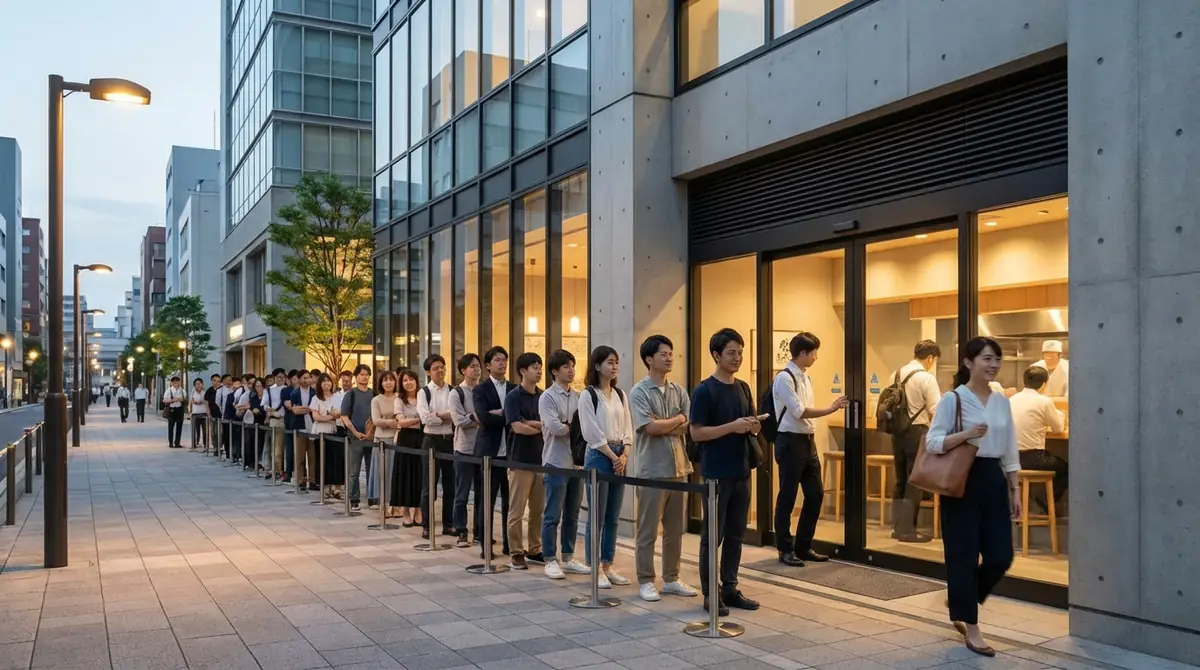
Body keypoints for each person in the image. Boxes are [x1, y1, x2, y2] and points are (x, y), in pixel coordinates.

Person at [925, 336, 1020, 657]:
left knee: (1000, 555)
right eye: (987, 359)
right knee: (963, 555)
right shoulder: (953, 399)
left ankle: (962, 598)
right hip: (961, 479)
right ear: (968, 363)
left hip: (993, 477)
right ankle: (973, 626)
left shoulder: (1002, 400)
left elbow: (1009, 446)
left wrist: (1014, 486)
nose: (993, 365)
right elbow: (932, 442)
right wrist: (966, 435)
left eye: (997, 359)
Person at [690, 328, 761, 616]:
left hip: (742, 468)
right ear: (717, 355)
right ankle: (710, 593)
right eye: (732, 353)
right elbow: (696, 433)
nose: (738, 358)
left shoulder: (743, 387)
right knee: (713, 535)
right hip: (717, 472)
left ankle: (730, 587)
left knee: (736, 533)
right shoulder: (704, 390)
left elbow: (752, 423)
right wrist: (731, 427)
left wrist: (754, 425)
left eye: (741, 353)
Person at [629, 335, 698, 602]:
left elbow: (688, 425)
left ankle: (671, 578)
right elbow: (649, 427)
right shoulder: (639, 392)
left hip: (679, 467)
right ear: (649, 359)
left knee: (674, 530)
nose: (669, 358)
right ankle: (646, 579)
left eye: (671, 353)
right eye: (663, 354)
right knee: (648, 530)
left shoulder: (678, 390)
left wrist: (669, 422)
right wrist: (674, 420)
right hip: (651, 470)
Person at [773, 332, 847, 566]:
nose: (816, 356)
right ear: (803, 353)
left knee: (815, 494)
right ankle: (785, 549)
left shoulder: (806, 377)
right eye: (814, 352)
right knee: (787, 496)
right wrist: (831, 408)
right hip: (789, 441)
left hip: (807, 440)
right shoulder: (784, 378)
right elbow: (799, 411)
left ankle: (803, 545)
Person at [579, 346, 633, 589]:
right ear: (597, 365)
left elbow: (628, 427)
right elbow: (590, 432)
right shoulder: (588, 395)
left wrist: (625, 453)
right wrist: (612, 456)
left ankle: (608, 564)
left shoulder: (621, 394)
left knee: (613, 516)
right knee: (597, 516)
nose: (614, 366)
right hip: (600, 455)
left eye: (616, 362)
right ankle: (594, 567)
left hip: (620, 454)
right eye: (610, 362)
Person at [538, 350, 590, 580]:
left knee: (573, 514)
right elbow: (556, 428)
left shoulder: (579, 396)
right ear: (554, 371)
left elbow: (587, 425)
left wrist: (573, 427)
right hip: (555, 461)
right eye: (566, 366)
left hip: (576, 464)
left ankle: (568, 557)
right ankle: (550, 558)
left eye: (573, 366)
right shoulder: (547, 397)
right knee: (552, 514)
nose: (571, 370)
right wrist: (576, 428)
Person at [887, 340, 943, 543]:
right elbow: (936, 410)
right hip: (917, 432)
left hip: (897, 433)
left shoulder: (895, 374)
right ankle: (908, 530)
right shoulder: (926, 378)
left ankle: (898, 527)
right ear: (930, 358)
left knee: (901, 478)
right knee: (915, 480)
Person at [505, 352, 546, 570]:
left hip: (541, 459)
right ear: (523, 371)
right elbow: (516, 427)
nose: (539, 370)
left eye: (540, 367)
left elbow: (550, 425)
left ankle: (535, 549)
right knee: (517, 511)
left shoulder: (543, 396)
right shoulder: (513, 396)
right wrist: (538, 426)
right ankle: (516, 552)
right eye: (534, 367)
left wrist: (535, 424)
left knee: (538, 509)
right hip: (519, 460)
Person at [1010, 365, 1068, 512]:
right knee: (1066, 468)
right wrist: (1061, 415)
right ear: (1044, 384)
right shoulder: (1043, 401)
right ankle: (1047, 502)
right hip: (1033, 459)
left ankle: (1023, 505)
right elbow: (1058, 428)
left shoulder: (1011, 400)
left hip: (1010, 458)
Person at [472, 346, 513, 554]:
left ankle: (509, 545)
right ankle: (485, 546)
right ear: (488, 365)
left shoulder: (515, 388)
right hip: (489, 453)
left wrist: (500, 413)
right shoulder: (480, 389)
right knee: (486, 501)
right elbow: (484, 418)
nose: (502, 363)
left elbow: (521, 417)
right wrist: (509, 415)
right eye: (497, 360)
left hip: (511, 454)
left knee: (511, 503)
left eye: (504, 359)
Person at [417, 355, 455, 539]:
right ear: (428, 372)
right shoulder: (424, 392)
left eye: (442, 367)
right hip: (431, 440)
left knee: (450, 485)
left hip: (450, 440)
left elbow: (457, 415)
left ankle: (449, 524)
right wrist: (445, 416)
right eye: (435, 368)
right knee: (428, 485)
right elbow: (426, 419)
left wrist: (439, 415)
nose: (440, 371)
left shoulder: (454, 391)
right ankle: (427, 525)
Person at [451, 354, 482, 547]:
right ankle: (461, 530)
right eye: (472, 366)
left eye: (478, 366)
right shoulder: (457, 393)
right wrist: (479, 417)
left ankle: (480, 532)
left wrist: (472, 417)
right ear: (463, 370)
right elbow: (459, 421)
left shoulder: (484, 390)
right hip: (463, 449)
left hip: (483, 449)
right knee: (462, 494)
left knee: (482, 493)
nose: (476, 370)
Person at [341, 364, 375, 510]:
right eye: (361, 374)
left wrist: (370, 432)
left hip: (371, 436)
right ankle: (353, 499)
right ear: (356, 376)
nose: (364, 377)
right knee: (354, 471)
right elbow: (344, 416)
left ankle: (372, 498)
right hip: (355, 436)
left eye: (367, 374)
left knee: (371, 469)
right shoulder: (351, 394)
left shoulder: (373, 394)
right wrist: (355, 432)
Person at [393, 369, 424, 526]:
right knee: (405, 475)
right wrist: (418, 419)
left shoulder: (423, 396)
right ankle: (405, 511)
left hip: (421, 438)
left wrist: (411, 420)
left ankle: (418, 510)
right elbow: (400, 422)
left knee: (419, 474)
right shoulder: (399, 399)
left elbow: (425, 419)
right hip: (405, 439)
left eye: (411, 379)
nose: (409, 383)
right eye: (405, 380)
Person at [370, 371, 401, 510]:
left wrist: (389, 422)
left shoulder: (400, 398)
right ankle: (382, 500)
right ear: (380, 383)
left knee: (395, 471)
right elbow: (376, 421)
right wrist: (394, 422)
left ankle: (395, 501)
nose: (388, 382)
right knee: (382, 471)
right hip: (381, 439)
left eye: (391, 379)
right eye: (385, 380)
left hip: (397, 439)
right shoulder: (376, 400)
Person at [308, 373, 340, 495]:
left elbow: (340, 413)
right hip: (320, 431)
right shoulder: (316, 398)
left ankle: (334, 486)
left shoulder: (337, 397)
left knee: (334, 459)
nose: (327, 384)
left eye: (329, 381)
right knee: (322, 459)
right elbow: (316, 416)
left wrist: (331, 417)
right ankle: (324, 486)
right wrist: (329, 417)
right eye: (324, 381)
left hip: (334, 430)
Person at [291, 371, 316, 490]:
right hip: (300, 427)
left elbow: (315, 409)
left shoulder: (315, 393)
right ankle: (300, 480)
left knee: (313, 456)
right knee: (300, 457)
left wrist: (306, 409)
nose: (306, 380)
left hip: (313, 427)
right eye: (304, 378)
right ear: (299, 379)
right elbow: (295, 410)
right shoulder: (294, 393)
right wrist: (307, 409)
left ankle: (312, 480)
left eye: (308, 378)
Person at [264, 369, 288, 480]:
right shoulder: (269, 390)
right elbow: (265, 404)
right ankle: (277, 469)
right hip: (274, 419)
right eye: (278, 377)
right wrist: (269, 410)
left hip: (284, 419)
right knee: (275, 447)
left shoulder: (287, 389)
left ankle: (282, 470)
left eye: (283, 377)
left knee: (282, 448)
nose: (280, 379)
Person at [163, 377, 187, 448]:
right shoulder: (169, 390)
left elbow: (184, 398)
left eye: (177, 381)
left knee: (179, 427)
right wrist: (173, 400)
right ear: (172, 383)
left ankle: (177, 442)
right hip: (171, 410)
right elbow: (164, 400)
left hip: (179, 410)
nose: (176, 383)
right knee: (170, 427)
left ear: (179, 382)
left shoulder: (182, 391)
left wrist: (180, 399)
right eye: (174, 381)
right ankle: (170, 442)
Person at [190, 379, 209, 450]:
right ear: (194, 385)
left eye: (200, 383)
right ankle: (194, 443)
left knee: (205, 430)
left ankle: (205, 445)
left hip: (204, 413)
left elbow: (206, 402)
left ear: (202, 384)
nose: (198, 385)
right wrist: (190, 412)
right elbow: (192, 402)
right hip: (195, 413)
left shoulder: (205, 392)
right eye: (196, 384)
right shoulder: (193, 392)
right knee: (195, 429)